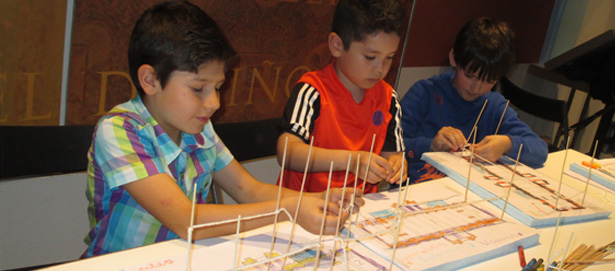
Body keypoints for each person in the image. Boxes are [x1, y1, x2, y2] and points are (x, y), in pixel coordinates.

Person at [83, 0, 363, 258]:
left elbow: (250, 190)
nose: (214, 103)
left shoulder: (199, 129)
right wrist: (288, 209)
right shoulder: (119, 131)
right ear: (150, 80)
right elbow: (187, 221)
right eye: (198, 88)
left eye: (217, 88)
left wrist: (316, 200)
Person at [276, 0, 407, 194]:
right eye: (370, 57)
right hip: (302, 207)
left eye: (389, 57)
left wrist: (397, 165)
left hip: (360, 209)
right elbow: (287, 152)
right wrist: (351, 161)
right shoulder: (313, 91)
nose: (381, 69)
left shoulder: (389, 100)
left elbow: (393, 156)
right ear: (336, 45)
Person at [400, 17, 548, 184]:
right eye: (470, 75)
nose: (476, 88)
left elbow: (540, 150)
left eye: (489, 81)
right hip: (417, 191)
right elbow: (390, 148)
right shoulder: (424, 93)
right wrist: (430, 146)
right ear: (453, 58)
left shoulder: (493, 105)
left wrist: (507, 144)